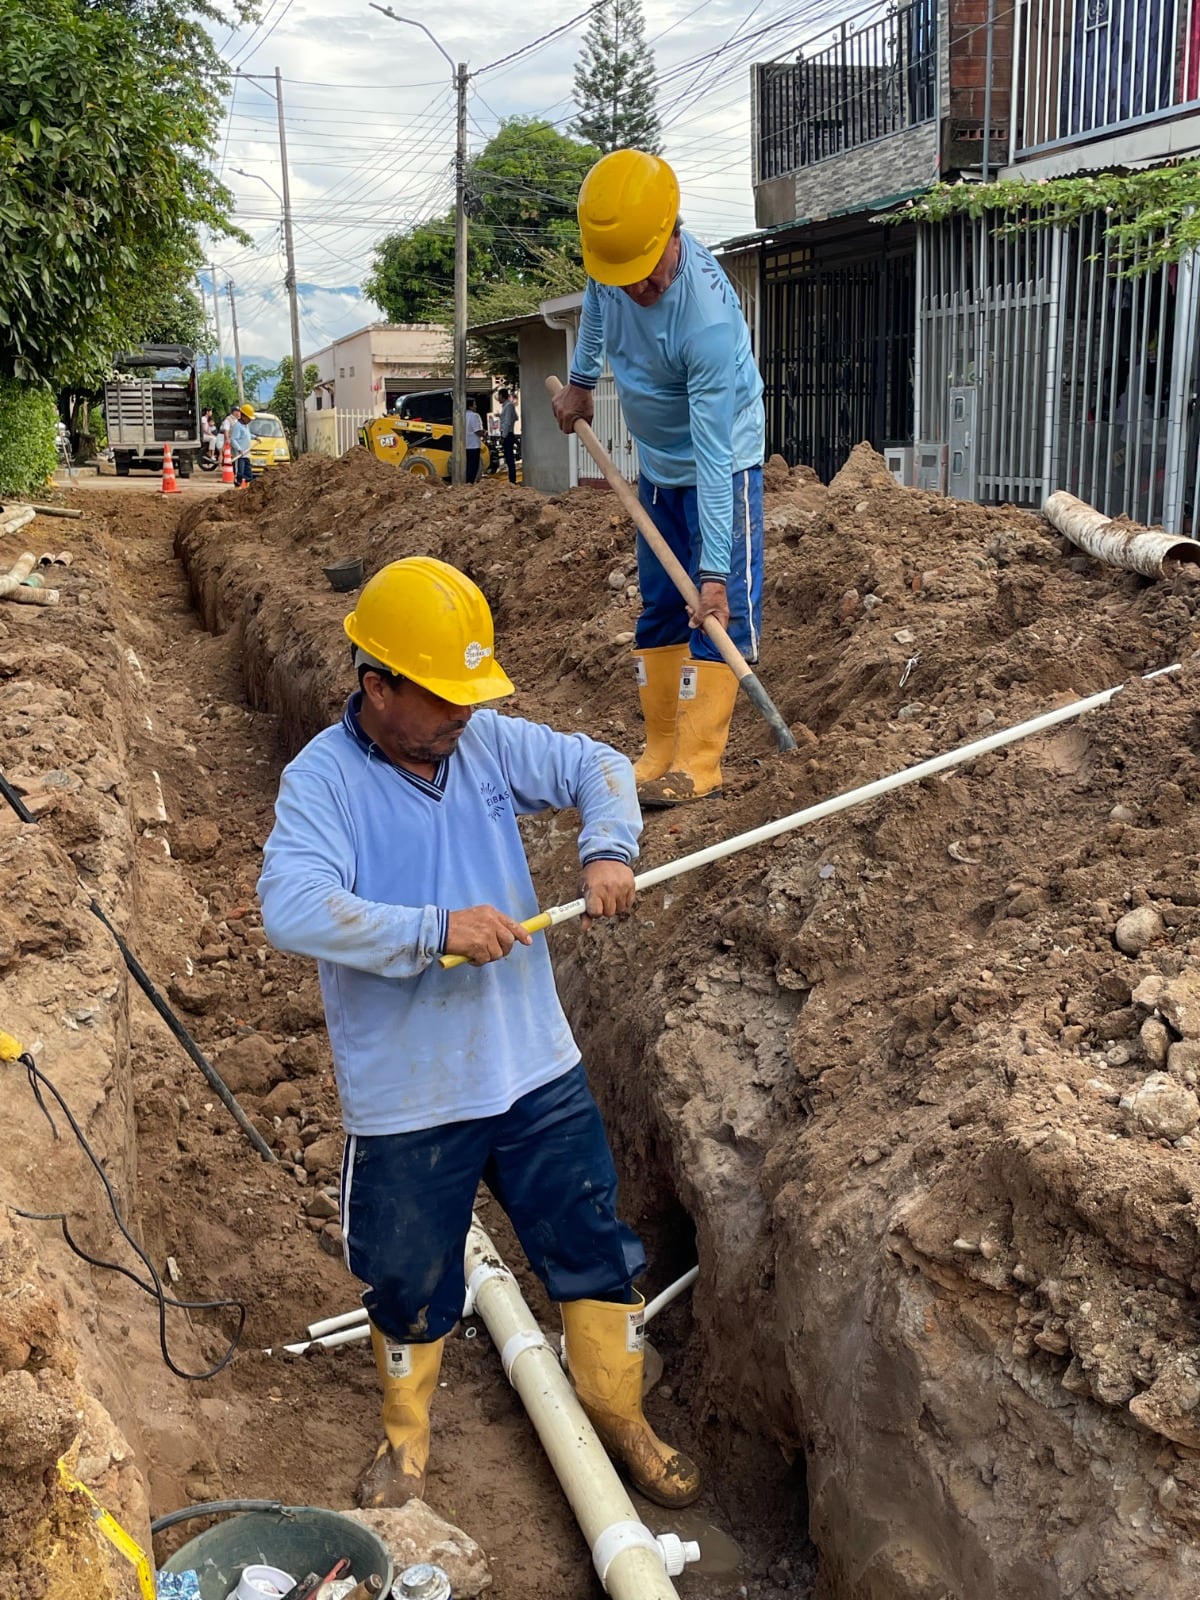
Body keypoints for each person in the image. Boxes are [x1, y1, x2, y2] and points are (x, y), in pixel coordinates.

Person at [257, 557, 701, 1514]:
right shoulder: (322, 782)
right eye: (445, 695)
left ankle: (619, 1414)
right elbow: (291, 908)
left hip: (533, 1070)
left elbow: (598, 764)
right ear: (377, 685)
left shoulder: (486, 743)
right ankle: (407, 1449)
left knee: (592, 1248)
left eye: (472, 693)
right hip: (410, 1099)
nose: (465, 712)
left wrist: (609, 846)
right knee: (409, 1281)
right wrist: (433, 929)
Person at [552, 149, 765, 809]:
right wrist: (583, 384)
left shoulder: (703, 319)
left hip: (718, 466)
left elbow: (711, 454)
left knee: (713, 610)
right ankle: (660, 751)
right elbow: (595, 305)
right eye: (626, 280)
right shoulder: (614, 268)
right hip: (657, 466)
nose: (638, 291)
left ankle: (700, 762)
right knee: (657, 606)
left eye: (648, 277)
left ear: (673, 234)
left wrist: (713, 574)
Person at [229, 402, 254, 488]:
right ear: (243, 416)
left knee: (248, 473)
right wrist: (239, 449)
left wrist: (255, 437)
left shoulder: (245, 426)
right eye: (249, 418)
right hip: (240, 455)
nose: (250, 420)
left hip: (246, 455)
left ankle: (248, 489)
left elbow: (248, 435)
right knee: (239, 473)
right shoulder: (237, 426)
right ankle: (237, 489)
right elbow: (233, 439)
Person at [497, 387, 519, 484]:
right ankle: (512, 478)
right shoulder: (508, 406)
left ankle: (512, 479)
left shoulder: (508, 406)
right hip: (507, 433)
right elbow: (515, 417)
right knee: (508, 456)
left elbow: (507, 422)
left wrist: (503, 436)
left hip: (507, 434)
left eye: (499, 396)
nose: (498, 398)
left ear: (502, 396)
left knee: (509, 457)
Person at [464, 396, 484, 484]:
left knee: (468, 465)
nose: (476, 406)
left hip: (466, 444)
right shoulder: (474, 416)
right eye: (474, 404)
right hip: (474, 445)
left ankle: (467, 482)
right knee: (474, 465)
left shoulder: (462, 415)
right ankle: (470, 482)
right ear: (470, 406)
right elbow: (477, 430)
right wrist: (484, 434)